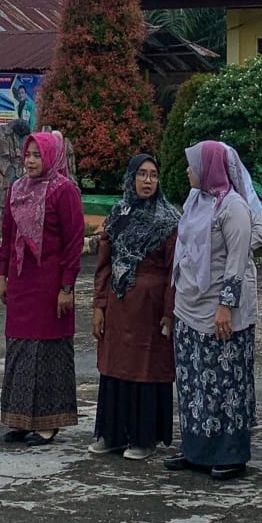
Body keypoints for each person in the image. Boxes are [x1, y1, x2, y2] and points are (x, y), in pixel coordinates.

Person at [165, 141, 262, 481]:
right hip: (190, 304)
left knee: (226, 383)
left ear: (210, 169)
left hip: (221, 308)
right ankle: (196, 450)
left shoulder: (233, 207)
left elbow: (236, 261)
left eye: (193, 165)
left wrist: (225, 305)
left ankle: (229, 454)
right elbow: (184, 249)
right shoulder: (195, 200)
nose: (187, 170)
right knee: (193, 382)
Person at [90, 153, 181, 460]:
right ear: (131, 178)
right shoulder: (118, 214)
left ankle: (144, 438)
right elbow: (104, 264)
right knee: (114, 367)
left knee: (146, 369)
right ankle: (112, 434)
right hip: (119, 304)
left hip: (150, 309)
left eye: (153, 175)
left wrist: (169, 312)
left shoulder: (169, 220)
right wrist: (99, 305)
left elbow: (174, 270)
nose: (147, 180)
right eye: (141, 174)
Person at [0, 131, 85, 445]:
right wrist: (3, 274)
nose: (31, 161)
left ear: (50, 156)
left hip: (51, 286)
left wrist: (66, 287)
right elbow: (8, 236)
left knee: (48, 352)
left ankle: (49, 423)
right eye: (28, 155)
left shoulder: (64, 191)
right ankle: (20, 420)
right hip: (22, 284)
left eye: (38, 155)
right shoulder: (17, 189)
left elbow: (73, 243)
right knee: (20, 349)